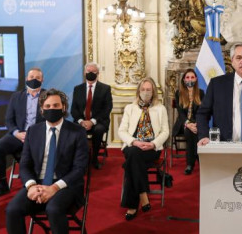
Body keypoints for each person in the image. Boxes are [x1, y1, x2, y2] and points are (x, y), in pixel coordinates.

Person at [5, 89, 89, 234]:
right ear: (42, 109)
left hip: (66, 185)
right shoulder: (33, 131)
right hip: (37, 183)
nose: (52, 109)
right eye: (48, 106)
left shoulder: (77, 132)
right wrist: (31, 186)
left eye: (56, 105)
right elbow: (24, 164)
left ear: (63, 108)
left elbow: (79, 168)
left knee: (54, 209)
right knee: (12, 210)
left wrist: (54, 188)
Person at [0, 68, 46, 200]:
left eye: (37, 77)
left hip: (38, 137)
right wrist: (16, 133)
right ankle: (2, 184)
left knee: (29, 155)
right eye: (31, 77)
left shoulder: (48, 96)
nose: (34, 80)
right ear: (26, 79)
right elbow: (9, 119)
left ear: (42, 80)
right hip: (19, 134)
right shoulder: (17, 96)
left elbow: (52, 119)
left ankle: (31, 183)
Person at [118, 77, 170, 220]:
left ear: (153, 91)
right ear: (138, 91)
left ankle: (132, 206)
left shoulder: (161, 108)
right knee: (134, 153)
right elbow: (121, 131)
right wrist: (134, 142)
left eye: (148, 90)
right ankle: (142, 194)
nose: (146, 92)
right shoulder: (130, 108)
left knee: (132, 162)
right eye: (143, 90)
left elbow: (165, 132)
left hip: (151, 147)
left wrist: (153, 144)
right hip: (132, 145)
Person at [71, 62, 113, 170]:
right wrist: (81, 121)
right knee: (75, 129)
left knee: (98, 130)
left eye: (93, 72)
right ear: (85, 73)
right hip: (82, 121)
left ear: (98, 73)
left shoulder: (105, 88)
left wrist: (92, 121)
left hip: (99, 121)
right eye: (88, 71)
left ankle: (94, 158)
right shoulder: (78, 89)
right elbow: (74, 110)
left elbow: (107, 108)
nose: (90, 73)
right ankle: (80, 159)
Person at [172, 69, 204, 175]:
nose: (190, 79)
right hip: (183, 123)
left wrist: (195, 124)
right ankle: (198, 160)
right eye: (187, 77)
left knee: (192, 132)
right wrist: (187, 124)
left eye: (192, 77)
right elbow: (180, 113)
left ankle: (190, 164)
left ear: (196, 79)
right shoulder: (179, 93)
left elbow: (201, 112)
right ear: (184, 80)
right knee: (189, 131)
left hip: (196, 123)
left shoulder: (200, 93)